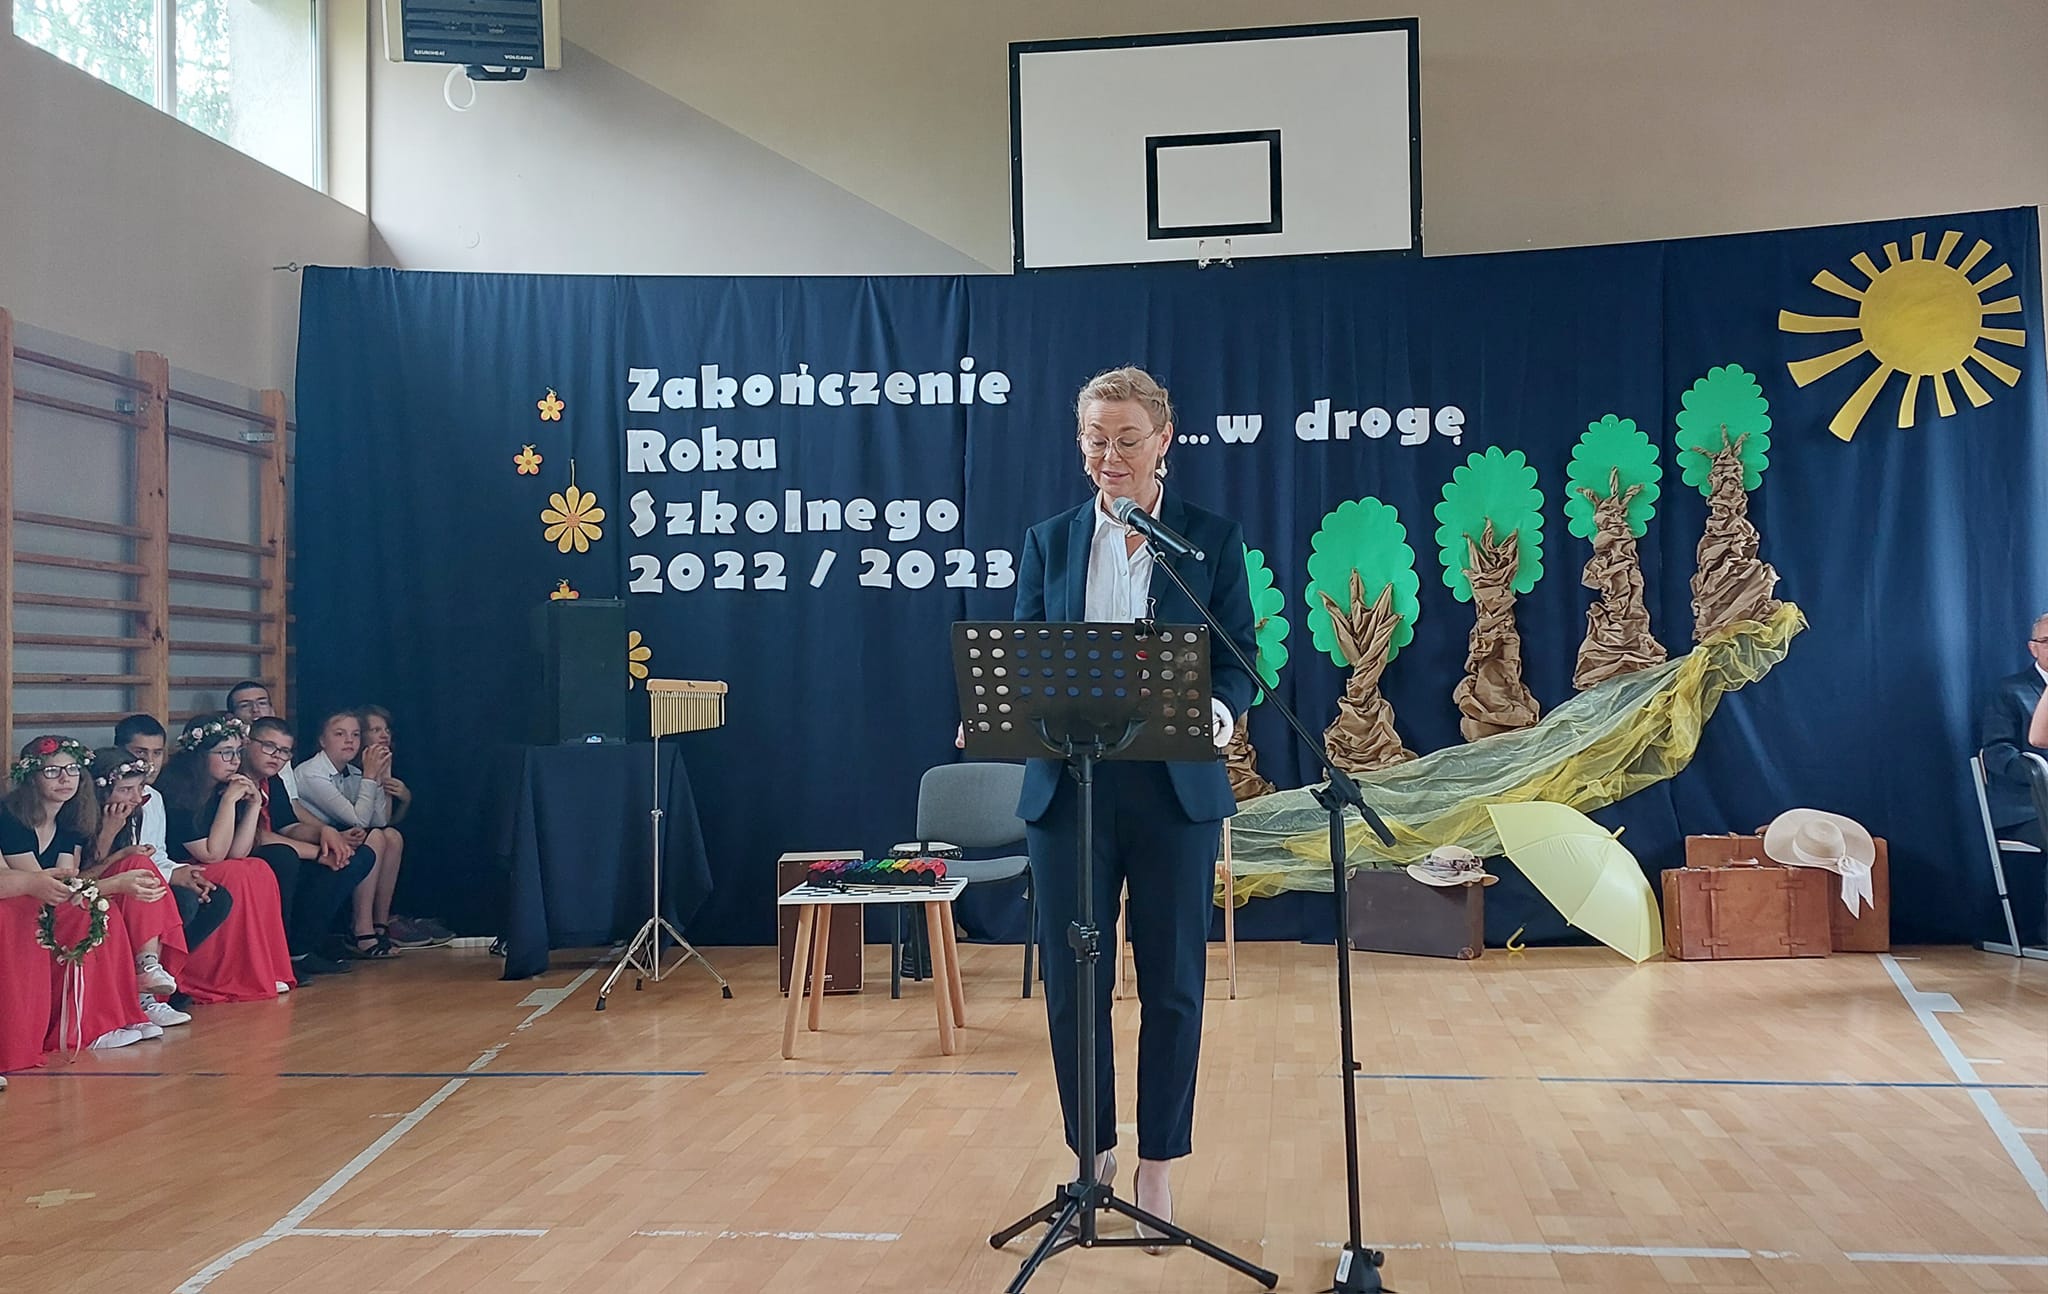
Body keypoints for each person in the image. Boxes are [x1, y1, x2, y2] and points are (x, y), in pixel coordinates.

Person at [1007, 366, 1257, 1246]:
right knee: (1074, 985)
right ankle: (1093, 1156)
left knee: (1173, 985)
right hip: (1068, 790)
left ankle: (1158, 1164)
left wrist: (1215, 712)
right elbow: (1024, 654)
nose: (1109, 456)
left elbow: (1238, 659)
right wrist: (1002, 712)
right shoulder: (1049, 542)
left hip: (1170, 788)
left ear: (1163, 442)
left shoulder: (1208, 540)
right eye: (1095, 440)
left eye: (1125, 439)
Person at [1, 736, 159, 1050]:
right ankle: (86, 1027)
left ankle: (124, 1011)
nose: (65, 778)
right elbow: (44, 886)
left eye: (72, 769)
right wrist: (113, 885)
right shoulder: (12, 819)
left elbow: (68, 878)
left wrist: (116, 863)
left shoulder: (68, 821)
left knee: (102, 909)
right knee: (90, 911)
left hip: (45, 902)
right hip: (23, 909)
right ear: (31, 777)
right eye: (52, 771)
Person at [155, 715, 298, 1000]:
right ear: (200, 755)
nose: (234, 761)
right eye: (224, 753)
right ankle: (220, 973)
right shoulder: (177, 790)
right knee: (237, 874)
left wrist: (254, 805)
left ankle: (259, 969)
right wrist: (230, 801)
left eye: (237, 752)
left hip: (210, 862)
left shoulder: (224, 787)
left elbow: (237, 852)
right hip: (181, 868)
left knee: (257, 868)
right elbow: (212, 854)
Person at [243, 717, 377, 962]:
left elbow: (289, 826)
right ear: (247, 743)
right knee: (284, 857)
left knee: (357, 855)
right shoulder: (237, 779)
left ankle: (301, 948)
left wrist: (324, 832)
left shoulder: (273, 781)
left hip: (283, 849)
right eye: (269, 747)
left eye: (284, 751)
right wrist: (317, 852)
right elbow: (256, 837)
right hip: (249, 853)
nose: (276, 756)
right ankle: (280, 954)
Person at [294, 709, 429, 953]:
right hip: (316, 841)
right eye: (340, 734)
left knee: (392, 836)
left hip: (344, 835)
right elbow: (359, 820)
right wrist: (370, 775)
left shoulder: (354, 772)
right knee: (375, 837)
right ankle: (361, 929)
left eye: (355, 735)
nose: (349, 741)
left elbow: (381, 820)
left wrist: (382, 776)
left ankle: (380, 924)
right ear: (322, 740)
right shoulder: (311, 772)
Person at [1980, 612, 2048, 944]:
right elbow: (1996, 752)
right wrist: (2040, 776)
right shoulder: (2012, 690)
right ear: (2033, 648)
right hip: (2026, 807)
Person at [227, 681, 299, 799]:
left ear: (272, 711)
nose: (255, 709)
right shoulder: (229, 761)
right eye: (245, 705)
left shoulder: (281, 750)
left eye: (262, 703)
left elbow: (293, 802)